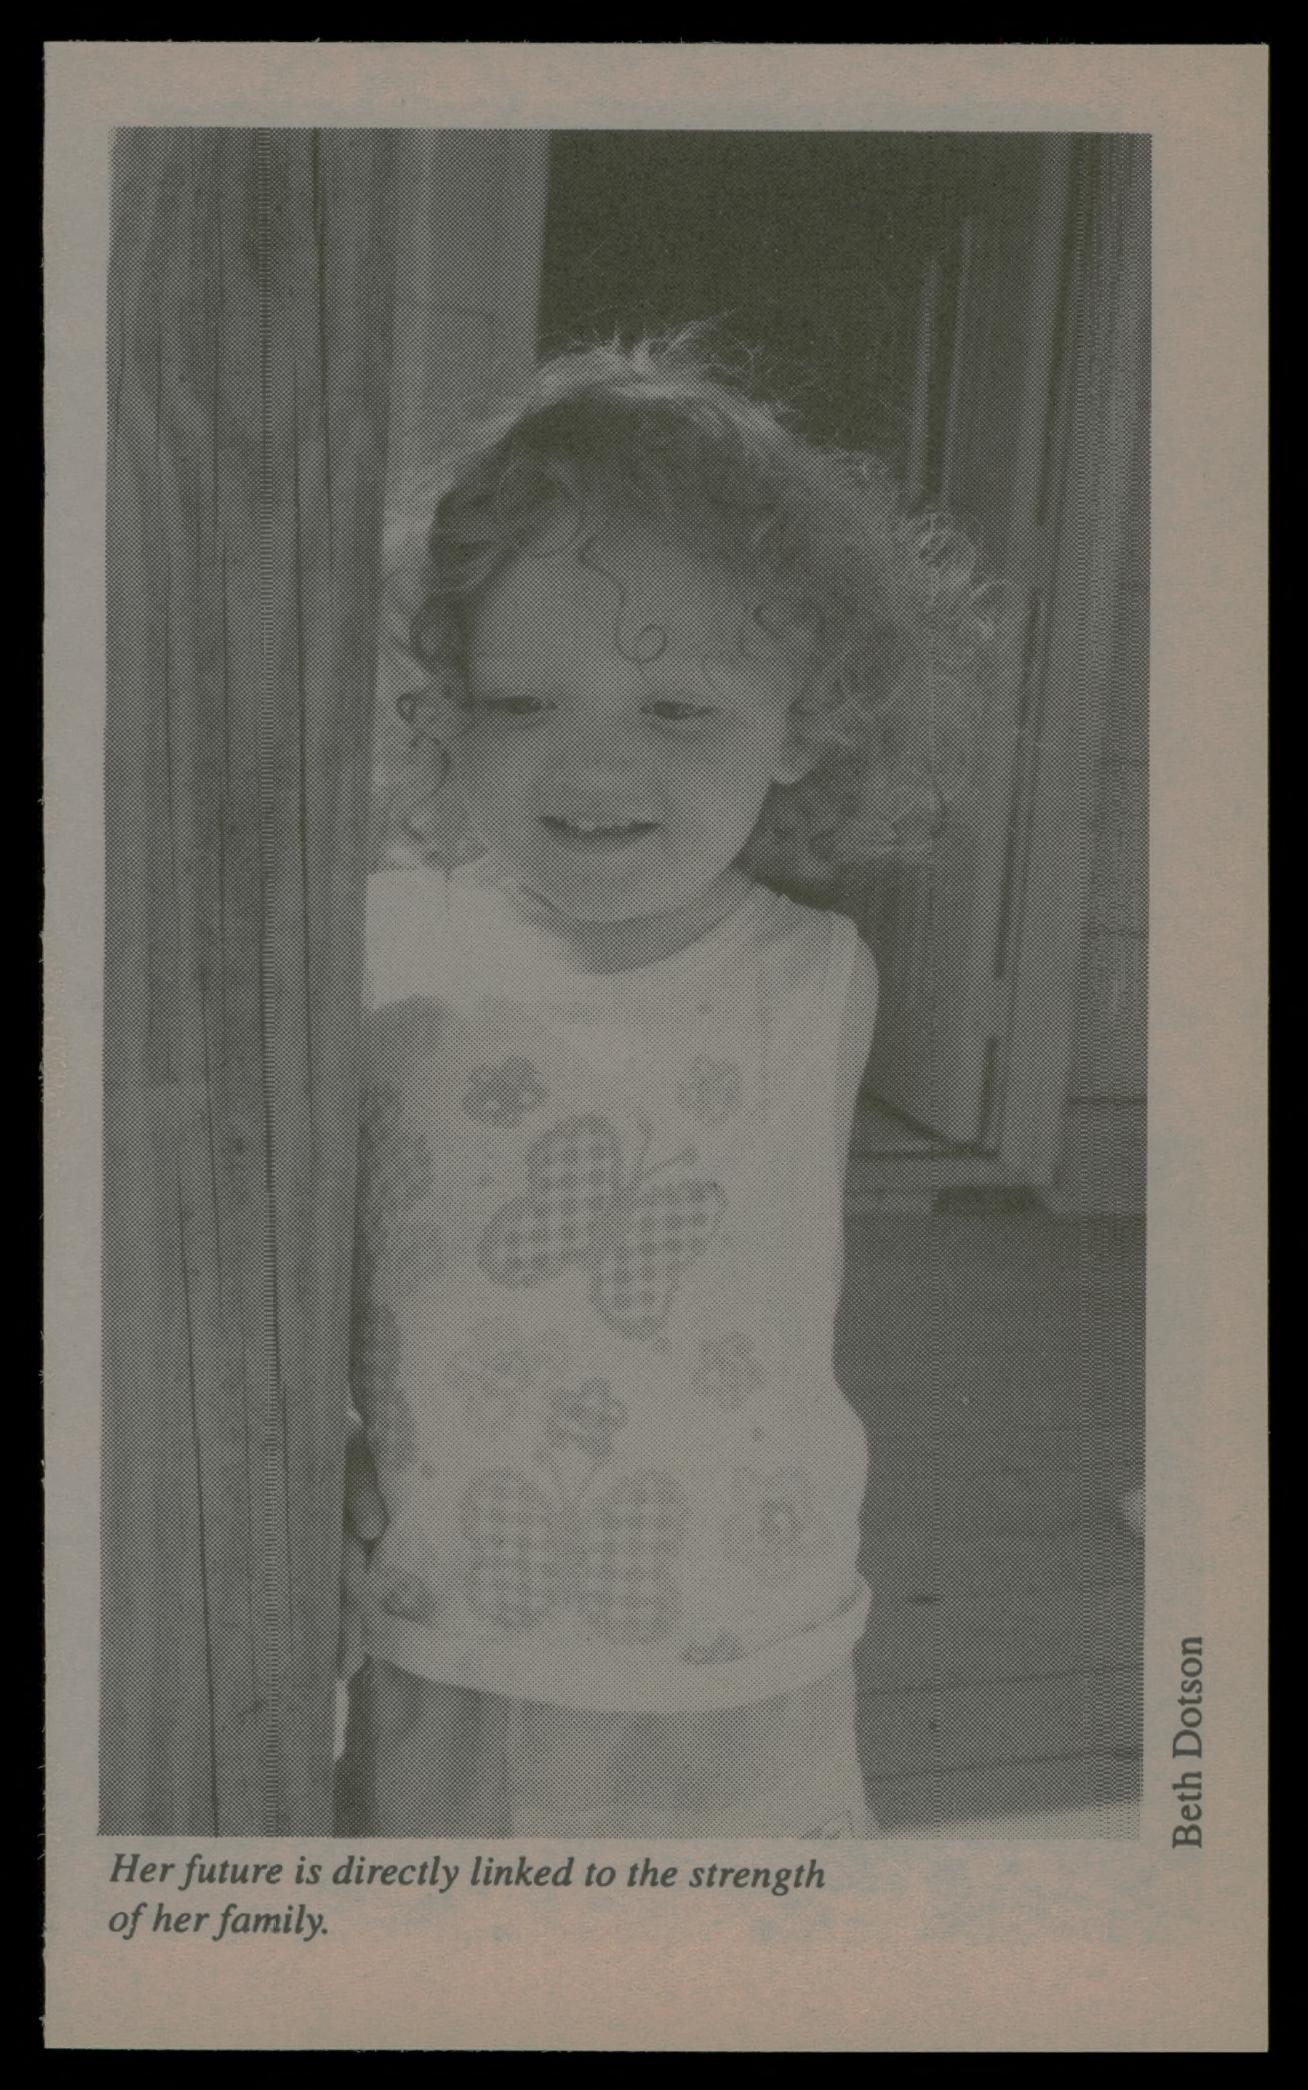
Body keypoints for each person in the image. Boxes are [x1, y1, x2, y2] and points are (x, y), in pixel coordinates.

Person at [335, 331, 987, 1837]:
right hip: (452, 1629)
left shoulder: (810, 980)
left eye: (676, 709)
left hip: (738, 1649)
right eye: (521, 702)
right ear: (445, 708)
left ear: (805, 720)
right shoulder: (384, 957)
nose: (594, 767)